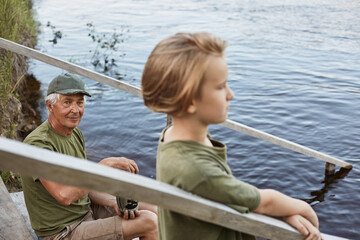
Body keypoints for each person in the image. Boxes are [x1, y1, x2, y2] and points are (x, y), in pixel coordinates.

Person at [141, 32, 323, 240]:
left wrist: (281, 215)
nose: (231, 94)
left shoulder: (174, 136)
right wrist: (305, 209)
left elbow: (219, 193)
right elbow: (266, 202)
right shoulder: (197, 170)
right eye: (220, 86)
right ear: (189, 100)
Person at [22, 73, 158, 240]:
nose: (75, 110)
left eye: (80, 102)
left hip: (85, 211)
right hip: (63, 231)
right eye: (67, 102)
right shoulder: (38, 144)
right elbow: (64, 196)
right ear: (50, 106)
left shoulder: (75, 134)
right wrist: (103, 166)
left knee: (155, 208)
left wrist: (113, 202)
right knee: (149, 222)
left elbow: (85, 187)